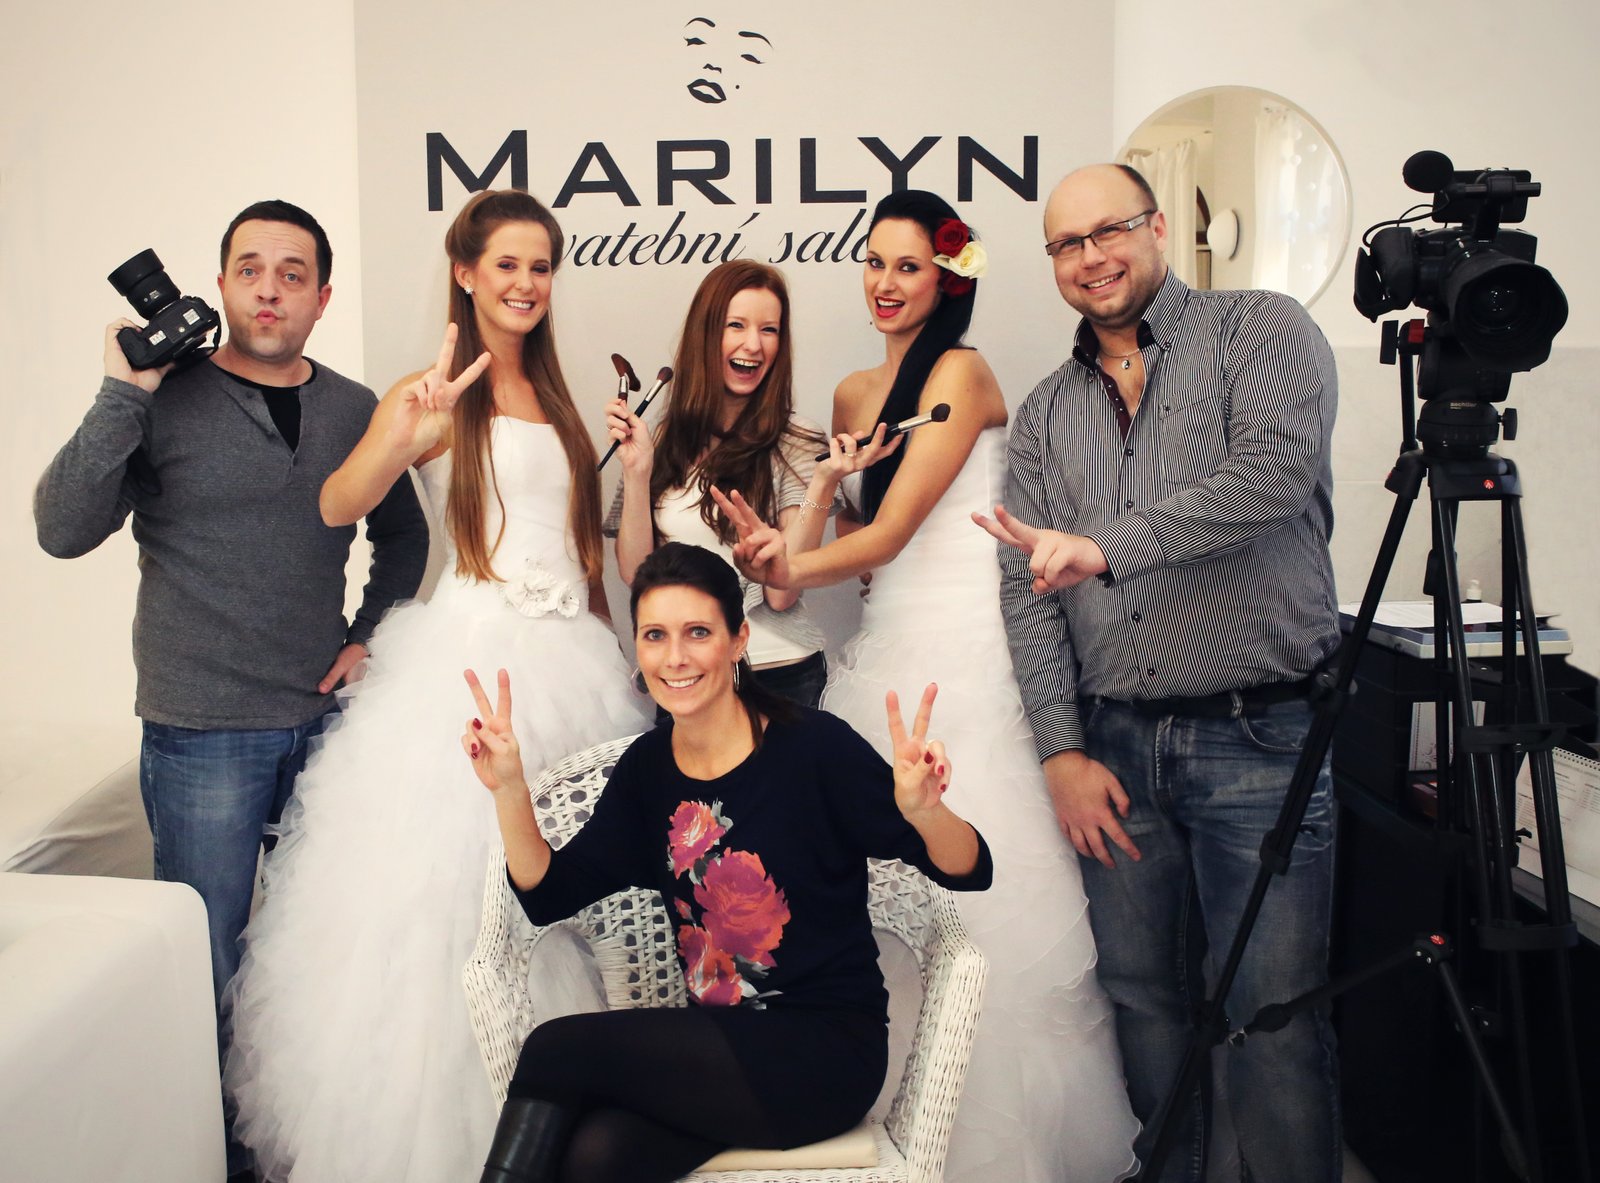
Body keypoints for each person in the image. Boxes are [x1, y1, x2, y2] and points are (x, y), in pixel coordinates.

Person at [222, 189, 651, 1183]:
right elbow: (340, 502)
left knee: (572, 904)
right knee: (449, 904)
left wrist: (617, 650)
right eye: (506, 264)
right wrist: (403, 427)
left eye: (540, 266)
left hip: (574, 677)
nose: (525, 283)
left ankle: (564, 1128)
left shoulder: (560, 398)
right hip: (468, 668)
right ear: (466, 273)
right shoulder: (431, 392)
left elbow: (585, 561)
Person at [716, 189, 1139, 1182]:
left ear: (947, 279)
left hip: (970, 652)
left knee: (982, 910)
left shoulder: (962, 372)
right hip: (888, 648)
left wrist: (788, 563)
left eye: (908, 265)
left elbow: (896, 530)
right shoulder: (853, 394)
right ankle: (895, 1127)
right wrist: (796, 537)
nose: (885, 282)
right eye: (873, 261)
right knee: (876, 907)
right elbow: (844, 544)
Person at [33, 199, 429, 1177]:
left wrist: (366, 637)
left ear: (323, 297)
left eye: (292, 274)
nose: (268, 289)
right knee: (206, 956)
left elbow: (404, 536)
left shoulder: (353, 408)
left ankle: (297, 1139)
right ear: (219, 285)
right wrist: (122, 389)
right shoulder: (161, 397)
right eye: (249, 269)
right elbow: (61, 527)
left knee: (310, 951)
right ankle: (214, 1155)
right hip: (201, 728)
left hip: (323, 726)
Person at [976, 163, 1342, 1182]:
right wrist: (1060, 751)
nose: (1090, 258)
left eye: (1110, 230)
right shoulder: (1046, 412)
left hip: (1262, 736)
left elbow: (1267, 478)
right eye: (1066, 244)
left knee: (1270, 1016)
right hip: (1117, 750)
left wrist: (1107, 547)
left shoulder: (1259, 331)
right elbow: (1026, 593)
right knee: (1142, 1002)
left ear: (1158, 225)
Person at [462, 541, 993, 1183]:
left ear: (739, 640)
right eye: (655, 635)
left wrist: (926, 811)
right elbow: (547, 895)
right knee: (595, 1157)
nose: (675, 657)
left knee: (555, 1050)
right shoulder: (646, 772)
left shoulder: (813, 749)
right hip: (718, 1057)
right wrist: (509, 789)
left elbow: (970, 869)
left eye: (698, 632)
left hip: (826, 1054)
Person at [604, 259, 893, 709]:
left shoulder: (798, 439)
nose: (753, 345)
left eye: (769, 330)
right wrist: (637, 472)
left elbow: (782, 593)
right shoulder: (661, 438)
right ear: (705, 333)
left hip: (779, 676)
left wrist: (822, 484)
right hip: (686, 676)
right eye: (735, 325)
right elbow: (636, 574)